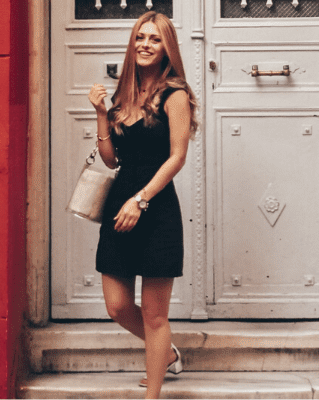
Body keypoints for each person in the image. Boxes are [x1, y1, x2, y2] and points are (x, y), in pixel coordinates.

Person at [88, 11, 198, 400]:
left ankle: (152, 393)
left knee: (154, 314)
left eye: (154, 39)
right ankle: (165, 353)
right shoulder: (124, 94)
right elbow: (111, 160)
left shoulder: (175, 94)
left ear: (167, 48)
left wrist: (141, 199)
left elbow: (177, 158)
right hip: (119, 207)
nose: (145, 44)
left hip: (155, 208)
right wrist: (102, 114)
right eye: (140, 37)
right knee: (118, 306)